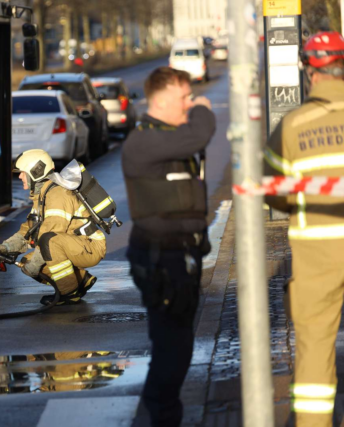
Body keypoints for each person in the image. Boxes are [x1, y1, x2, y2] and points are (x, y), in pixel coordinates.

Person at [122, 66, 215, 426]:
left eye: (191, 98)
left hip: (180, 258)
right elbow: (201, 134)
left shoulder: (165, 137)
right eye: (184, 98)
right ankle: (159, 419)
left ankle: (162, 416)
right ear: (160, 101)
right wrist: (202, 109)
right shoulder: (144, 140)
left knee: (176, 348)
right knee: (172, 351)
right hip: (162, 259)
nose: (189, 103)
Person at [264, 31, 344, 426]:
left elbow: (273, 192)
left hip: (319, 254)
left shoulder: (292, 125)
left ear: (310, 70)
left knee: (314, 349)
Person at [0, 149, 105, 305]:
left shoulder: (58, 194)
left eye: (22, 173)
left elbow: (52, 233)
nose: (19, 177)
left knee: (47, 243)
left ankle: (69, 292)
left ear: (35, 172)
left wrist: (35, 264)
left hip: (90, 246)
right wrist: (3, 248)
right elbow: (28, 230)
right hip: (75, 245)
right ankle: (81, 280)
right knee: (28, 260)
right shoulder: (42, 196)